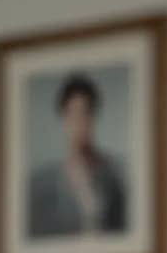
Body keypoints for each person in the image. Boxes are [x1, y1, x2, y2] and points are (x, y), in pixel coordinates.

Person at [28, 73, 127, 238]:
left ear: (93, 117)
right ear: (64, 119)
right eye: (73, 115)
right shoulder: (43, 185)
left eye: (85, 114)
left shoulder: (114, 175)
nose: (79, 124)